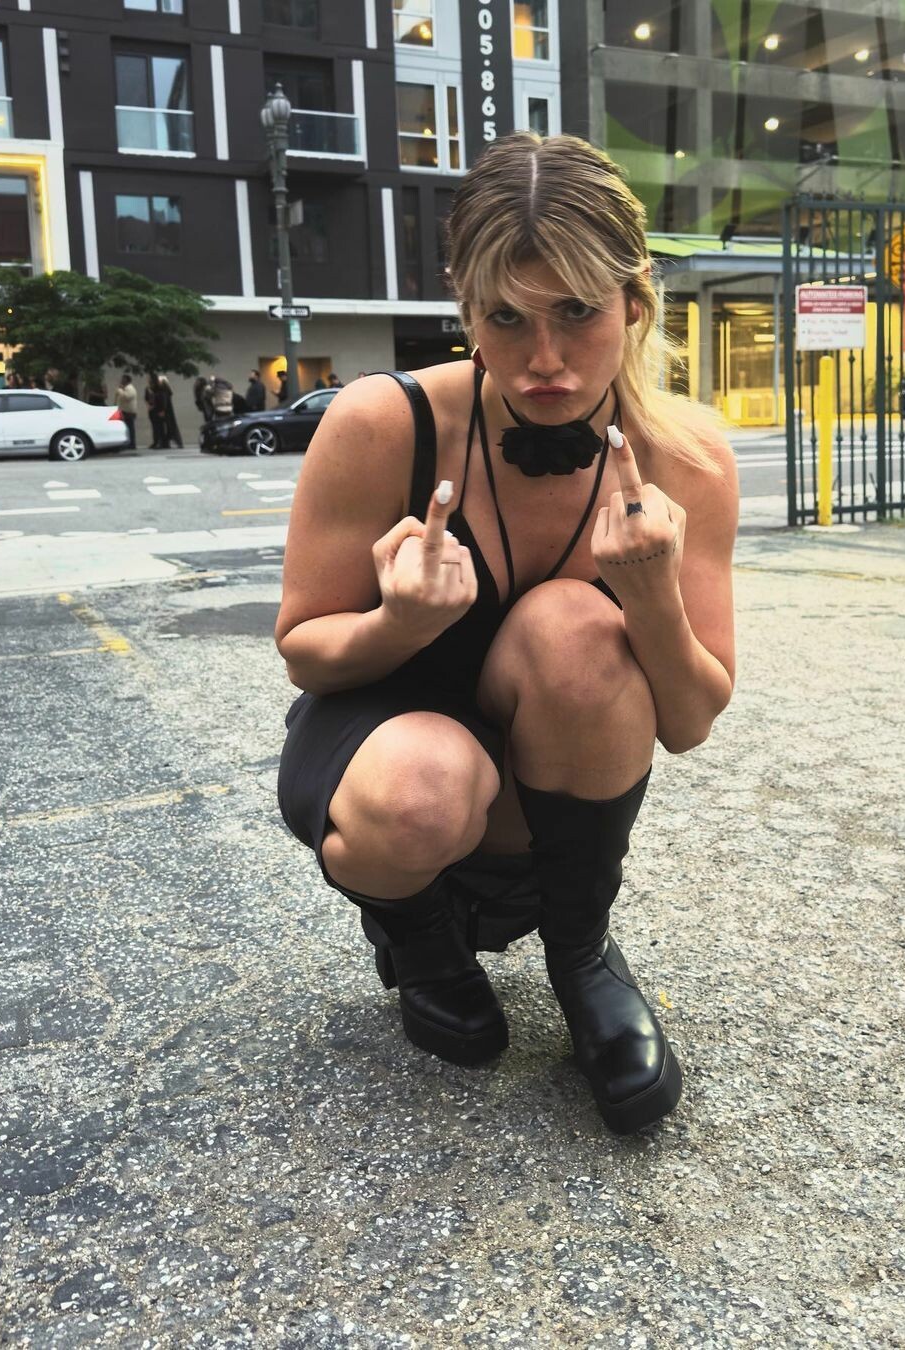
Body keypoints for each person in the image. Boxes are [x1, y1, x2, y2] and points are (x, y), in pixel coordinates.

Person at [275, 134, 738, 1135]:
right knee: (423, 788)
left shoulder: (688, 458)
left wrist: (650, 598)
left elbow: (692, 721)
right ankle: (419, 937)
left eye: (577, 312)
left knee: (576, 624)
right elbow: (303, 647)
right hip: (392, 756)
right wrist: (398, 622)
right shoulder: (384, 423)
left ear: (634, 303)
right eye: (507, 318)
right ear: (466, 310)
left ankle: (582, 955)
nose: (544, 359)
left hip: (549, 797)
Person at [157, 374, 183, 448]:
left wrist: (162, 410)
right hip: (169, 411)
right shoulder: (167, 390)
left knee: (167, 427)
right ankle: (173, 442)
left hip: (166, 411)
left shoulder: (163, 390)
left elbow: (164, 401)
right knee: (170, 427)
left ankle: (165, 443)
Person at [115, 373, 138, 447]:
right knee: (126, 428)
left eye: (123, 379)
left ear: (127, 380)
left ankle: (132, 444)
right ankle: (128, 443)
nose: (121, 380)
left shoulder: (130, 388)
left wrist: (120, 390)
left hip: (128, 412)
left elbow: (126, 397)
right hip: (125, 411)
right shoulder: (125, 388)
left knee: (129, 429)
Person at [146, 374, 168, 449]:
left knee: (160, 427)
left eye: (149, 378)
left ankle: (162, 442)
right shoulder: (148, 388)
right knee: (155, 427)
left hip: (159, 409)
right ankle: (156, 442)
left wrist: (162, 410)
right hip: (152, 409)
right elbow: (146, 398)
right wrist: (149, 405)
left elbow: (163, 398)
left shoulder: (159, 387)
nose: (148, 380)